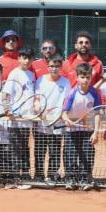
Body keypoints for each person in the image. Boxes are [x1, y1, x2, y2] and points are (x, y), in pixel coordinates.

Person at [62, 62, 101, 190]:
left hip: (88, 129)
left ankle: (85, 179)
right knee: (71, 154)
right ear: (77, 78)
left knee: (87, 153)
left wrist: (95, 132)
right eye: (82, 77)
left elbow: (97, 114)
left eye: (88, 77)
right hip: (72, 130)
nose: (85, 80)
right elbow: (64, 113)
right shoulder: (73, 93)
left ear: (91, 78)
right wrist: (67, 120)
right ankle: (71, 179)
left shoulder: (95, 93)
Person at [34, 54, 69, 183]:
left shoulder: (65, 82)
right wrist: (40, 110)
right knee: (40, 150)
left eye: (57, 66)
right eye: (51, 66)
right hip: (42, 122)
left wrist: (61, 114)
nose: (54, 69)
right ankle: (39, 175)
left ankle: (53, 175)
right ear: (47, 66)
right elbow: (36, 99)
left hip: (58, 123)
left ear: (61, 67)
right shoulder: (41, 80)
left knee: (55, 151)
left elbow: (66, 101)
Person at [6, 47, 37, 182]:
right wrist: (8, 109)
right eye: (24, 57)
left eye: (29, 58)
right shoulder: (14, 74)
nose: (27, 60)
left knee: (24, 145)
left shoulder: (31, 75)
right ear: (19, 59)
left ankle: (25, 173)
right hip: (16, 118)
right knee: (15, 145)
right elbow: (5, 94)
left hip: (27, 118)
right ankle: (15, 174)